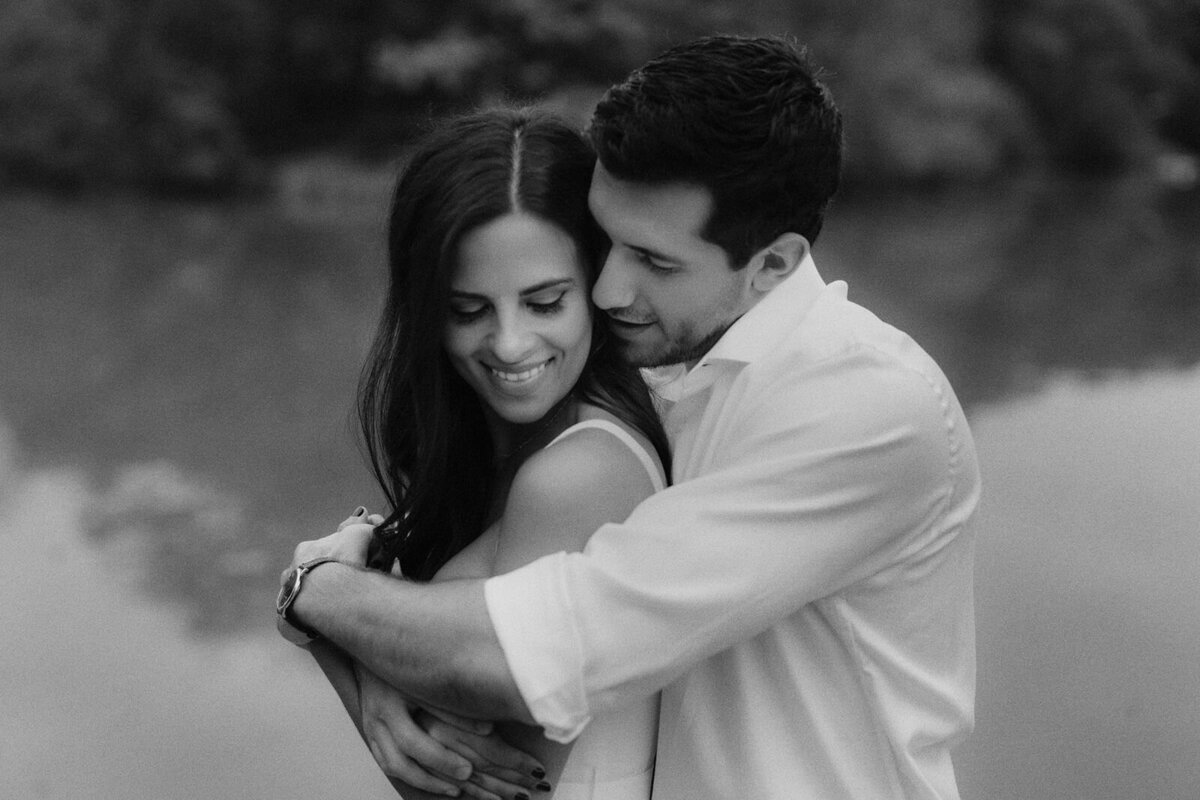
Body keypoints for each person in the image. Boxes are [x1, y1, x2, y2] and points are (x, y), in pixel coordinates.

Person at [280, 34, 981, 799]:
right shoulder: (664, 363)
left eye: (654, 260)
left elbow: (533, 659)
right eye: (603, 240)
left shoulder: (865, 410)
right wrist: (369, 619)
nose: (608, 289)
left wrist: (319, 598)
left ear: (772, 265)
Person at [277, 109, 671, 799]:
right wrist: (361, 645)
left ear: (595, 288)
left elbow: (458, 783)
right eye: (468, 311)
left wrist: (333, 627)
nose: (511, 344)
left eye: (546, 302)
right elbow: (428, 672)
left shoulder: (581, 474)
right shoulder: (501, 449)